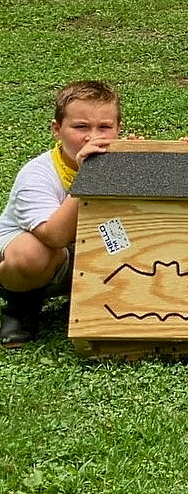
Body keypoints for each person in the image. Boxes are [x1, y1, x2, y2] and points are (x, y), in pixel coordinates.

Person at [0, 81, 121, 347]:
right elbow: (54, 236)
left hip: (97, 254)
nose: (92, 136)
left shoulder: (125, 162)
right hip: (46, 258)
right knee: (32, 254)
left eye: (104, 127)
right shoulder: (36, 174)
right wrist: (88, 176)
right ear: (57, 130)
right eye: (80, 127)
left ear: (118, 129)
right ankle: (21, 308)